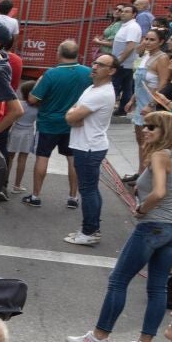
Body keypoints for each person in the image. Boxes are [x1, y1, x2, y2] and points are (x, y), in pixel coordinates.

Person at [66, 110, 172, 342]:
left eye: (151, 127)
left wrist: (141, 208)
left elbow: (158, 192)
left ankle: (99, 337)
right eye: (145, 125)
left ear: (166, 131)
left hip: (152, 225)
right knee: (158, 287)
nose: (145, 130)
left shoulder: (160, 155)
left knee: (119, 280)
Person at [23, 40, 89, 206]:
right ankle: (73, 197)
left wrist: (39, 83)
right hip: (74, 123)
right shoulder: (87, 72)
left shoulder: (51, 74)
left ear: (59, 53)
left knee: (42, 157)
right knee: (72, 159)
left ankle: (36, 196)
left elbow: (32, 99)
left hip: (49, 123)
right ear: (77, 54)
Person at [61, 54, 118, 247]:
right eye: (95, 63)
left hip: (89, 147)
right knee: (90, 189)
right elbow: (74, 111)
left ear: (111, 71)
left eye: (101, 65)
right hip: (86, 145)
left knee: (88, 190)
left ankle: (89, 231)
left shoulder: (101, 93)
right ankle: (92, 229)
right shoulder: (92, 88)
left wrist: (72, 116)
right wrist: (74, 115)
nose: (94, 67)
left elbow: (71, 117)